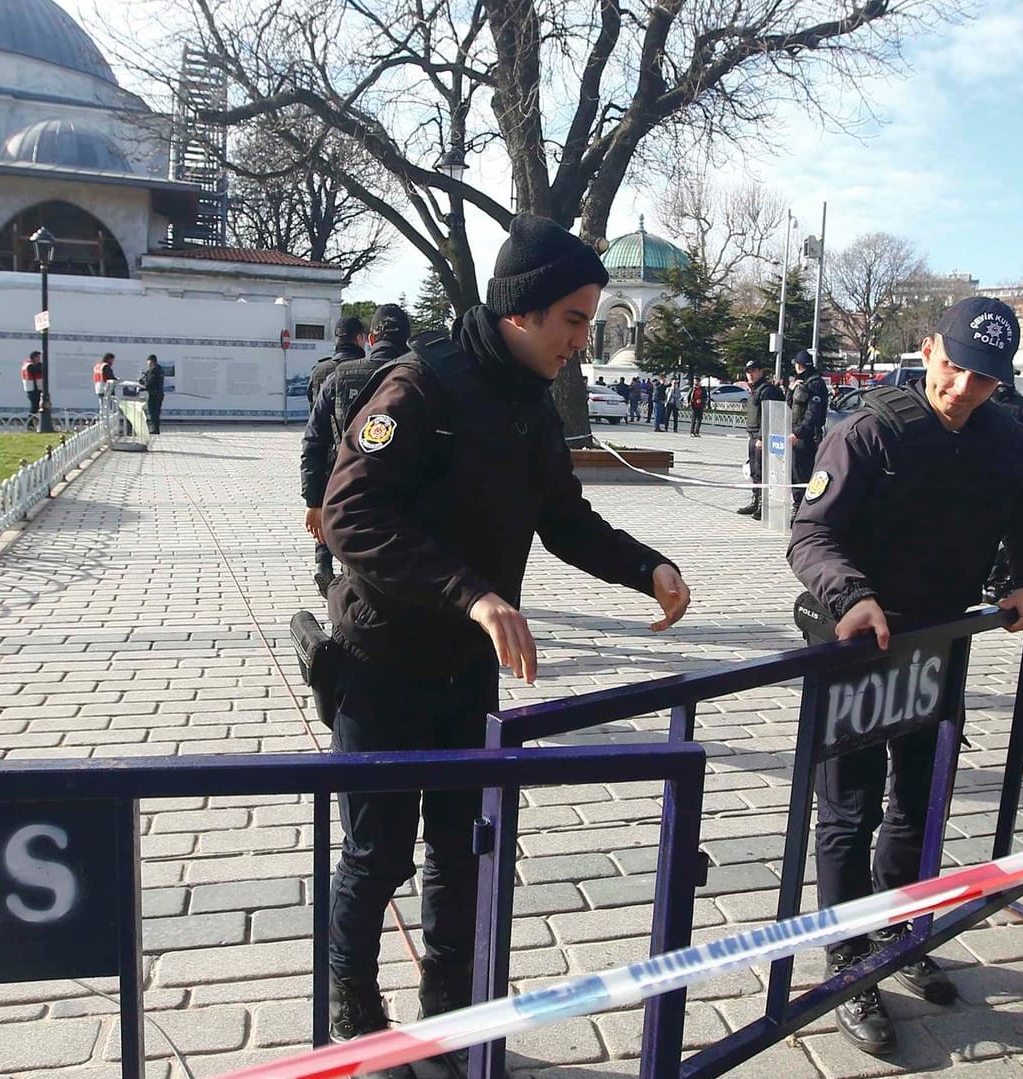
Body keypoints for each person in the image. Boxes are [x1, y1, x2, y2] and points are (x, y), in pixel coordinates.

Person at [320, 214, 692, 1064]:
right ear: (520, 312)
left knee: (462, 848)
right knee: (376, 853)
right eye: (572, 320)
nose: (582, 341)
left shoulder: (530, 399)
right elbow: (350, 515)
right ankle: (352, 1002)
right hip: (383, 662)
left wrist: (648, 567)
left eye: (591, 323)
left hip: (465, 672)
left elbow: (562, 516)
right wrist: (474, 593)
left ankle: (451, 1010)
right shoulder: (421, 387)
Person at [788, 296, 1023, 1059]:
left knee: (917, 798)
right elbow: (810, 534)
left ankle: (899, 930)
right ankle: (847, 961)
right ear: (930, 348)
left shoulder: (1004, 437)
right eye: (956, 367)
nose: (964, 389)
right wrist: (852, 594)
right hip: (861, 645)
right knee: (849, 807)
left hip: (941, 642)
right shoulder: (871, 428)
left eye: (984, 381)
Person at [303, 307, 412, 598]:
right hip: (405, 494)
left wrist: (314, 500)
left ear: (372, 338)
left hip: (345, 484)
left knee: (353, 569)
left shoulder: (338, 377)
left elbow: (313, 441)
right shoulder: (424, 375)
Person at [735, 359, 785, 518]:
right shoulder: (755, 389)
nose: (750, 374)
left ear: (760, 372)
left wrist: (763, 438)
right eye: (748, 372)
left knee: (763, 471)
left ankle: (764, 506)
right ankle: (755, 501)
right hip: (753, 436)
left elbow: (769, 415)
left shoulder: (766, 390)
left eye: (754, 371)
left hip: (762, 438)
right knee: (754, 472)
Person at [788, 350, 829, 487]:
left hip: (807, 437)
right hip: (798, 435)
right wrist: (791, 390)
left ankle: (801, 507)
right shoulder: (801, 382)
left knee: (802, 476)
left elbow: (813, 413)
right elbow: (789, 406)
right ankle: (798, 506)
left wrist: (798, 434)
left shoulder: (815, 384)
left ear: (799, 366)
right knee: (795, 473)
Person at [310, 316, 367, 408]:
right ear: (359, 338)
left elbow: (312, 408)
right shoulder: (368, 370)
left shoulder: (318, 370)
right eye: (364, 338)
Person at [137, 354, 165, 435]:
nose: (147, 364)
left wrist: (142, 386)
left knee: (153, 412)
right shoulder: (160, 369)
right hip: (159, 394)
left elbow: (150, 382)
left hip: (154, 394)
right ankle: (156, 428)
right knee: (156, 412)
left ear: (151, 361)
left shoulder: (153, 370)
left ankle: (155, 429)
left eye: (148, 362)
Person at [20, 350, 45, 429]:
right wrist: (41, 365)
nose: (40, 359)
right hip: (33, 390)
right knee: (34, 408)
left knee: (36, 407)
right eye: (38, 357)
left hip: (33, 389)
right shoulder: (30, 366)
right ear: (34, 358)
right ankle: (29, 424)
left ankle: (32, 423)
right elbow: (39, 371)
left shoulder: (27, 364)